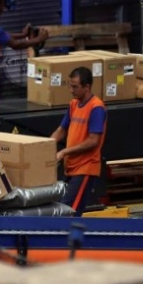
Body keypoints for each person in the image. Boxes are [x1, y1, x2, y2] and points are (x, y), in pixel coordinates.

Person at [50, 66, 107, 215]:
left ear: (87, 86)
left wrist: (64, 151)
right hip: (71, 168)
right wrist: (44, 146)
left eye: (75, 87)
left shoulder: (96, 108)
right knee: (62, 208)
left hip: (85, 168)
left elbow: (93, 141)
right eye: (70, 85)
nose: (71, 90)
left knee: (69, 212)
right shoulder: (74, 104)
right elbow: (61, 130)